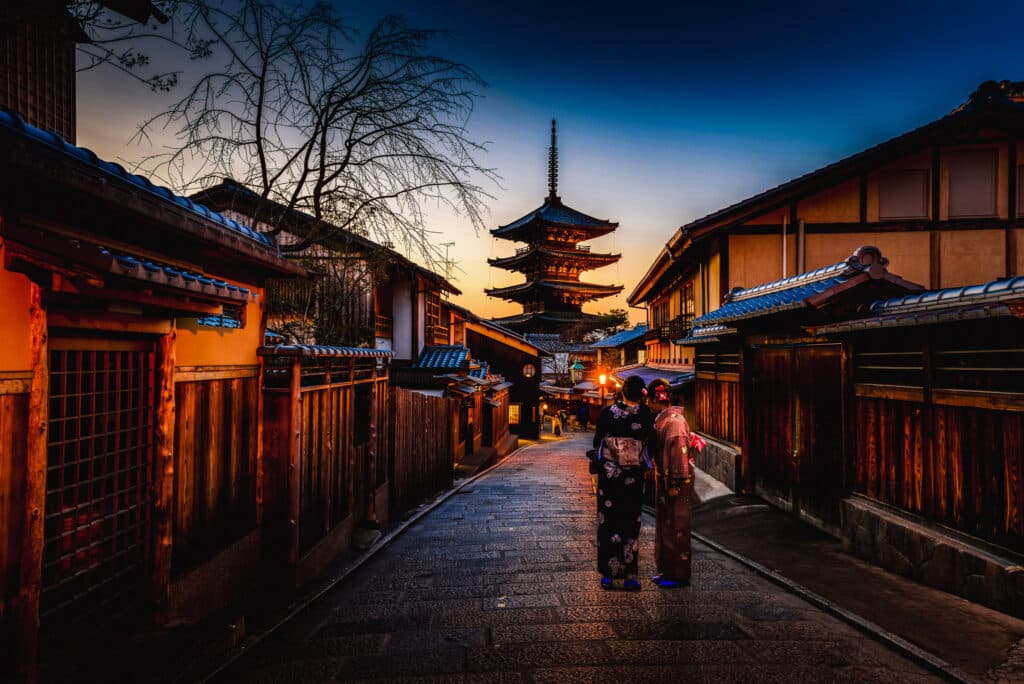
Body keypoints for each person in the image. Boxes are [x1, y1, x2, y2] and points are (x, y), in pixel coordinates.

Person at [592, 375, 654, 590]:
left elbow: (598, 442)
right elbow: (649, 445)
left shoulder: (608, 413)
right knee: (630, 523)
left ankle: (608, 574)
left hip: (610, 478)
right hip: (633, 478)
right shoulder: (646, 415)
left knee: (607, 522)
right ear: (641, 394)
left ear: (622, 392)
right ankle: (630, 575)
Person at [646, 378, 701, 588]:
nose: (648, 405)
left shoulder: (674, 422)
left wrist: (676, 481)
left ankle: (677, 573)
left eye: (649, 400)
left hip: (676, 479)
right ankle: (666, 569)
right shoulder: (665, 419)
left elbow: (679, 453)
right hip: (666, 476)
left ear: (655, 398)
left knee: (677, 524)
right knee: (665, 524)